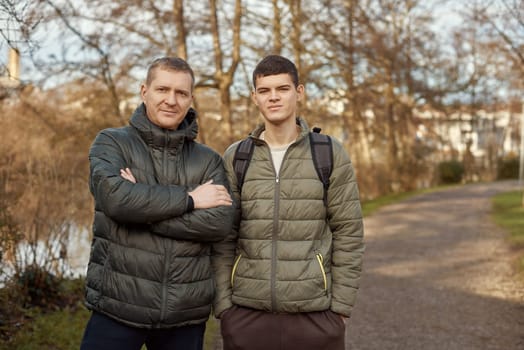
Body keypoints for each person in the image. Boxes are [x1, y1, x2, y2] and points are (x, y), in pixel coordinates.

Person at [80, 57, 234, 350]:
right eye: (162, 89)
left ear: (191, 99)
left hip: (184, 316)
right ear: (144, 91)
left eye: (181, 93)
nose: (171, 100)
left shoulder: (208, 160)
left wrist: (142, 207)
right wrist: (191, 200)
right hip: (117, 307)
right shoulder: (112, 143)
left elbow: (219, 223)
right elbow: (117, 202)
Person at [212, 55, 365, 350]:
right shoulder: (237, 157)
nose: (273, 98)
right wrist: (225, 307)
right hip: (246, 315)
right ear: (254, 97)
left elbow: (349, 232)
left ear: (299, 92)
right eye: (265, 90)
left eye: (282, 89)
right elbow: (223, 235)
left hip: (316, 315)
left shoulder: (328, 153)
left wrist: (341, 309)